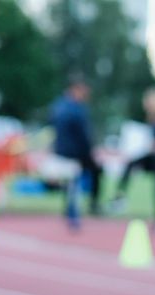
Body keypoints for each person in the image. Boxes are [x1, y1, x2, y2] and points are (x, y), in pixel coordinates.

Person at [109, 87, 155, 222]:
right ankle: (119, 197)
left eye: (148, 101)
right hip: (147, 156)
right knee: (130, 163)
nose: (146, 103)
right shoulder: (146, 118)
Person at [51, 76, 101, 226]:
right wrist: (90, 152)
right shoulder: (77, 109)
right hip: (74, 152)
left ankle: (72, 207)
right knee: (81, 177)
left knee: (73, 179)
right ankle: (83, 207)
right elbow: (83, 135)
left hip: (62, 150)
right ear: (76, 90)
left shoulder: (58, 105)